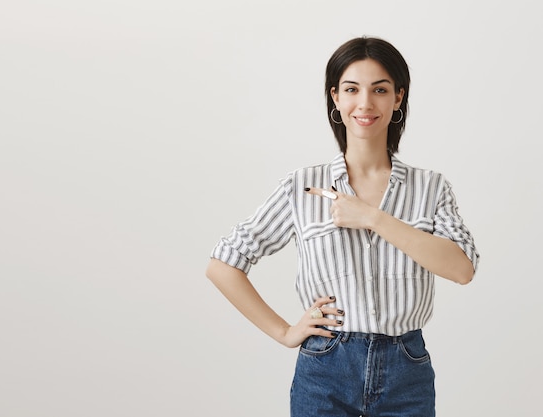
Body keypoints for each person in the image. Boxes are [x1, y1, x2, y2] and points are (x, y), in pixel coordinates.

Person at [205, 36, 479, 417]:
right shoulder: (302, 187)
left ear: (398, 97)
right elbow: (223, 264)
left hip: (407, 370)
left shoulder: (430, 188)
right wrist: (285, 332)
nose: (365, 103)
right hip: (326, 369)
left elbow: (461, 268)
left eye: (380, 90)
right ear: (335, 97)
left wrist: (371, 217)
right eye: (352, 89)